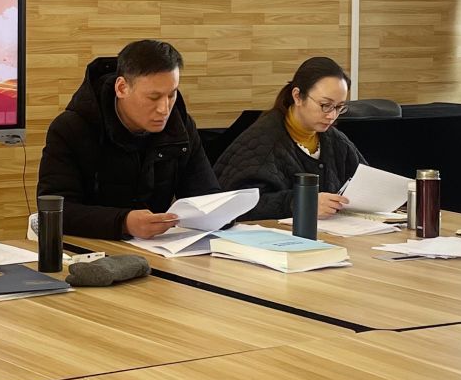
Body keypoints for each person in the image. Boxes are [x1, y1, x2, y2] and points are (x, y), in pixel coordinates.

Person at [38, 39, 218, 239]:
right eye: (153, 97)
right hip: (88, 247)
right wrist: (123, 222)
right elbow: (55, 211)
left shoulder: (180, 126)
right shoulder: (71, 128)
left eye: (171, 95)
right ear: (122, 88)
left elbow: (206, 196)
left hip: (158, 247)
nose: (164, 109)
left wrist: (221, 213)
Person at [216, 55, 364, 221]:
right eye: (325, 105)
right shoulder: (261, 142)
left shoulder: (336, 141)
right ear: (297, 96)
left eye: (339, 107)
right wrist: (301, 203)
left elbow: (366, 182)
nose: (332, 115)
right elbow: (234, 205)